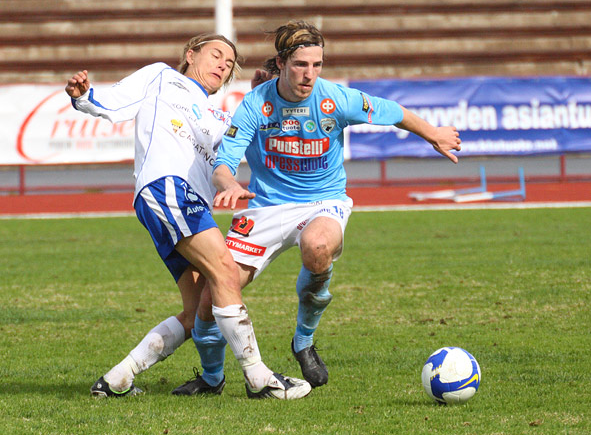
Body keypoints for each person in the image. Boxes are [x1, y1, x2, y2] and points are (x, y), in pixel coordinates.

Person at [172, 20, 462, 394]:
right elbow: (224, 161)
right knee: (210, 302)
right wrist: (228, 184)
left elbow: (393, 111)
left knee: (318, 247)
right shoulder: (257, 104)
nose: (310, 74)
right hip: (264, 208)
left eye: (317, 65)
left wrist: (434, 134)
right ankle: (212, 379)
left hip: (322, 202)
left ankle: (303, 341)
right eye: (300, 65)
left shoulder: (335, 99)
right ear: (281, 62)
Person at [64, 33, 311, 400]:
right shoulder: (161, 76)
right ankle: (260, 380)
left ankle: (116, 380)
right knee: (226, 271)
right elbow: (110, 103)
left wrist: (264, 101)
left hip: (181, 203)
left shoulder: (219, 117)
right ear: (190, 55)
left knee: (198, 310)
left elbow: (248, 145)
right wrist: (83, 94)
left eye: (228, 65)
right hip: (167, 189)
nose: (222, 65)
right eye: (215, 55)